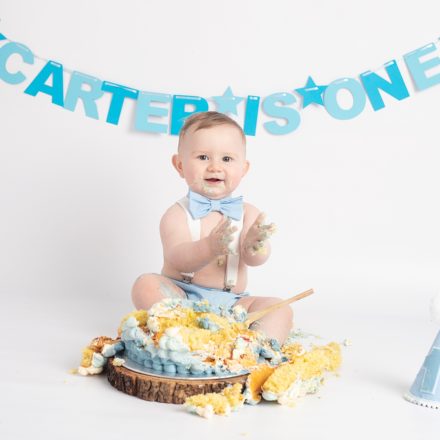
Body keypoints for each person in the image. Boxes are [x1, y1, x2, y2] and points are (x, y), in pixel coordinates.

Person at [131, 111, 293, 343]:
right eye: (203, 157)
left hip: (233, 304)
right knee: (145, 285)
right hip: (181, 297)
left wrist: (256, 245)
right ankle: (183, 333)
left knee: (279, 308)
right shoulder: (177, 214)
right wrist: (210, 246)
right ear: (179, 165)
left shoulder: (248, 213)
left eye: (227, 159)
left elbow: (255, 260)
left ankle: (254, 347)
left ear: (243, 169)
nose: (215, 167)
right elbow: (178, 259)